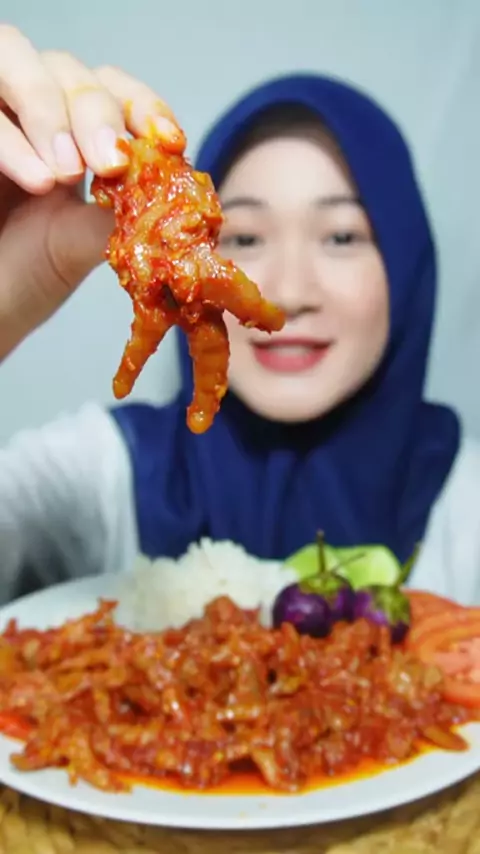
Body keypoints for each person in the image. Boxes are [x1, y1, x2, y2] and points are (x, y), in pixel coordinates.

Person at [1, 26, 479, 607]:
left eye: (342, 237)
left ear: (407, 264)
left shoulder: (465, 507)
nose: (289, 293)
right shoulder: (99, 473)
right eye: (244, 237)